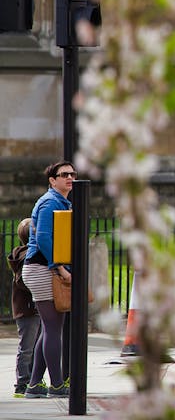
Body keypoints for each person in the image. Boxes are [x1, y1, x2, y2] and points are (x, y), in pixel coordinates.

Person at [21, 161, 75, 399]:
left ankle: (34, 385)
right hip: (42, 270)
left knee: (49, 328)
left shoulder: (60, 201)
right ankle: (56, 385)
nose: (70, 178)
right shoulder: (50, 202)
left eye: (73, 174)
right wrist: (61, 268)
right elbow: (43, 238)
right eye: (64, 175)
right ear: (52, 180)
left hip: (44, 269)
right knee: (53, 328)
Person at [7, 218, 41, 398]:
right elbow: (23, 281)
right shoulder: (27, 256)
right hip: (28, 308)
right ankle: (22, 383)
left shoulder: (25, 253)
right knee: (27, 347)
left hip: (29, 307)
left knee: (33, 346)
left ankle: (31, 379)